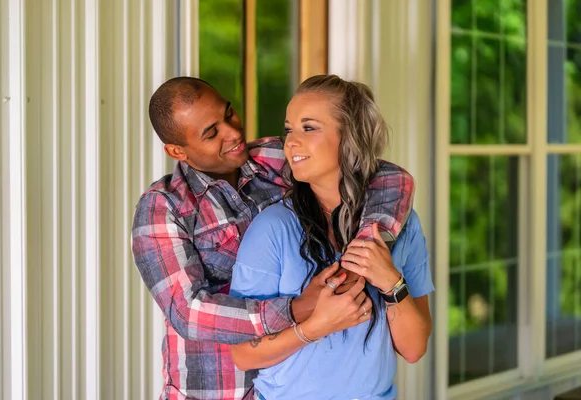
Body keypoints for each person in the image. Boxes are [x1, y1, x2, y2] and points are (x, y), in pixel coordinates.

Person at [131, 76, 415, 400]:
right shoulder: (163, 207)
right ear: (176, 150)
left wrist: (363, 251)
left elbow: (388, 177)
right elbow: (189, 312)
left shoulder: (275, 157)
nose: (234, 133)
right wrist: (296, 310)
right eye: (212, 133)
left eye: (229, 114)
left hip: (289, 384)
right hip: (215, 390)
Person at [229, 75, 434, 400]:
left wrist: (389, 280)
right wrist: (315, 327)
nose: (291, 142)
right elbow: (243, 355)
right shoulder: (272, 229)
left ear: (350, 137)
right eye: (289, 129)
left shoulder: (402, 226)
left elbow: (413, 349)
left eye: (308, 128)